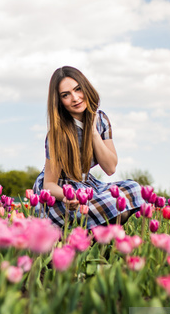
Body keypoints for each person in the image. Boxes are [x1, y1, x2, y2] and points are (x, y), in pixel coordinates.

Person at [33, 66, 144, 228]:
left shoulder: (101, 119)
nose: (75, 98)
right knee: (112, 207)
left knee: (133, 188)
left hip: (87, 185)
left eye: (78, 89)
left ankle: (96, 239)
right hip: (61, 192)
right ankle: (92, 241)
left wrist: (92, 132)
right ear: (59, 101)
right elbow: (49, 185)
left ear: (86, 87)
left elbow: (110, 167)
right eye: (66, 95)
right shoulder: (57, 134)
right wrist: (67, 196)